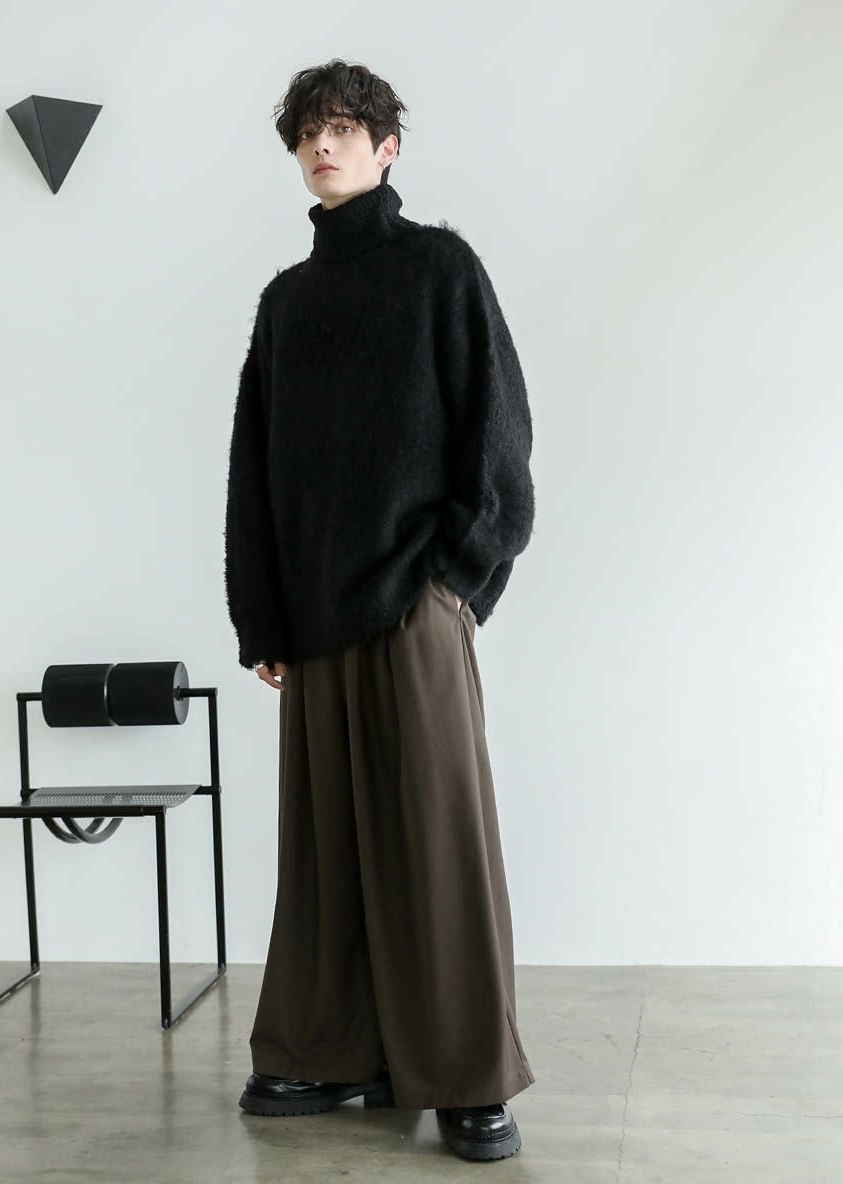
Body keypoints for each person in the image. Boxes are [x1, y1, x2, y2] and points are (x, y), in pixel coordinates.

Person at [223, 58, 536, 1163]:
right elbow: (255, 468)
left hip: (413, 603)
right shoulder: (287, 301)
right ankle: (325, 1051)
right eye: (309, 132)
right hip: (312, 617)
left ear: (387, 146)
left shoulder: (439, 269)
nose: (324, 146)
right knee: (324, 851)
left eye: (346, 129)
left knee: (436, 846)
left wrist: (453, 578)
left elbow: (497, 433)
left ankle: (466, 1078)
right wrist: (262, 617)